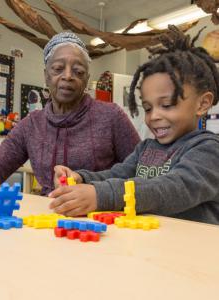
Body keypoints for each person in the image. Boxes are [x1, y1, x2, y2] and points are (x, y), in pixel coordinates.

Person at [0, 32, 140, 195]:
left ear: (86, 78)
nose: (68, 76)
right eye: (58, 68)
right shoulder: (31, 125)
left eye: (78, 71)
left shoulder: (110, 116)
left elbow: (142, 170)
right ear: (46, 75)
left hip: (102, 222)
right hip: (47, 219)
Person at [49, 26, 219, 224]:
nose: (154, 116)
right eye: (147, 108)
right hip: (152, 244)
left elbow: (169, 189)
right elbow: (116, 174)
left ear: (202, 103)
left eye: (166, 105)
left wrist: (102, 195)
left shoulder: (209, 150)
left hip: (193, 250)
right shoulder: (145, 148)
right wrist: (82, 179)